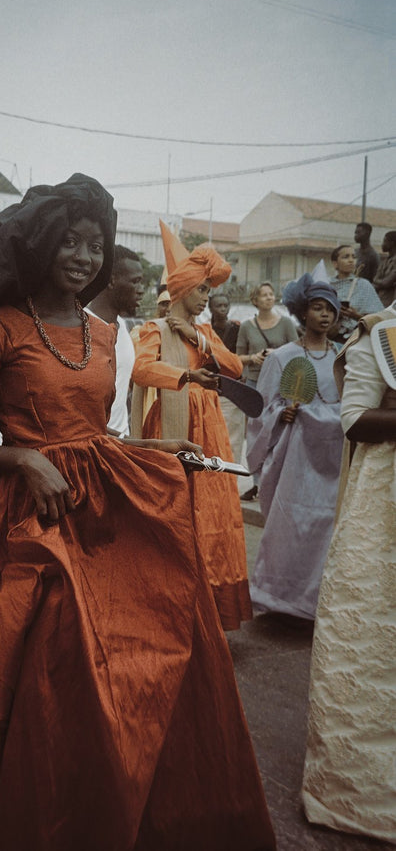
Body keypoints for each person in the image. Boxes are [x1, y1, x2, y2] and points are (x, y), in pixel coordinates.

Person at [0, 174, 276, 851]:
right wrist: (22, 459)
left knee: (149, 657)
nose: (83, 255)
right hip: (28, 522)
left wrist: (159, 448)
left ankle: (125, 815)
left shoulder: (107, 335)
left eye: (94, 244)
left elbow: (97, 432)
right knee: (49, 684)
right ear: (42, 245)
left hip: (102, 507)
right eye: (69, 242)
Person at [302, 297, 396, 843]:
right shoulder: (380, 334)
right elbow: (355, 420)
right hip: (381, 508)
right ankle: (357, 798)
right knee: (371, 642)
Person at [131, 232, 253, 631]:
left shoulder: (205, 332)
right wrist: (185, 372)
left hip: (209, 426)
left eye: (208, 290)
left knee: (213, 511)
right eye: (201, 289)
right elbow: (141, 369)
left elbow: (234, 368)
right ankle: (171, 609)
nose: (205, 297)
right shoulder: (154, 328)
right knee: (175, 509)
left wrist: (198, 338)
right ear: (182, 288)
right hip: (172, 424)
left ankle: (208, 614)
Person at [246, 274, 343, 619]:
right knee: (289, 527)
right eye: (317, 308)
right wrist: (281, 414)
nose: (325, 315)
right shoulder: (282, 357)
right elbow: (260, 410)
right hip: (294, 460)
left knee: (325, 529)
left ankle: (317, 601)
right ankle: (279, 598)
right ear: (303, 312)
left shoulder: (344, 358)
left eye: (330, 309)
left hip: (333, 459)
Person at [236, 282, 298, 499]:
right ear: (255, 300)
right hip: (255, 384)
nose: (269, 298)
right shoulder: (247, 326)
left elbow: (298, 352)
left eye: (271, 294)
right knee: (256, 434)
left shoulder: (287, 323)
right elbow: (238, 358)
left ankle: (277, 481)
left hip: (281, 386)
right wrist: (253, 358)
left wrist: (277, 354)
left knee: (279, 432)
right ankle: (257, 483)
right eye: (263, 295)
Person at [87, 244, 144, 436]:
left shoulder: (122, 326)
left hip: (120, 443)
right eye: (135, 282)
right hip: (97, 445)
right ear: (111, 281)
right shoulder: (83, 329)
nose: (141, 290)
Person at [209, 292, 245, 464]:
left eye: (225, 305)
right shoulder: (205, 331)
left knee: (233, 440)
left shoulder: (238, 329)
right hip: (210, 389)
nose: (223, 309)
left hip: (232, 390)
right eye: (218, 305)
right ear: (210, 308)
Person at [329, 244, 383, 345]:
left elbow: (377, 318)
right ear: (335, 263)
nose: (351, 260)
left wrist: (356, 316)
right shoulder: (327, 286)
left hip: (358, 340)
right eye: (346, 257)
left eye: (353, 257)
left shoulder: (364, 285)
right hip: (333, 339)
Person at [373, 229, 396, 307]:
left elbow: (386, 283)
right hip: (380, 301)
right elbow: (375, 279)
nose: (382, 244)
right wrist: (380, 282)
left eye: (385, 241)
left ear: (392, 243)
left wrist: (378, 282)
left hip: (390, 305)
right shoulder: (385, 260)